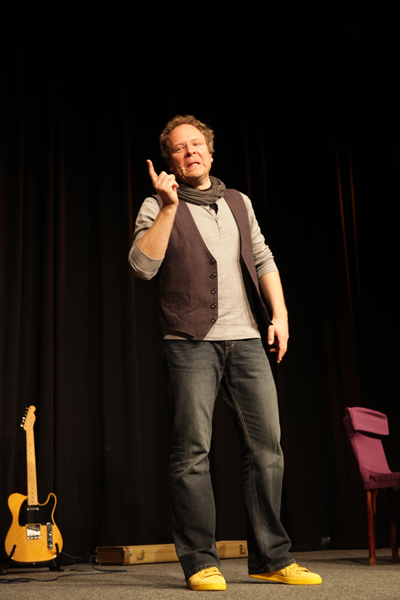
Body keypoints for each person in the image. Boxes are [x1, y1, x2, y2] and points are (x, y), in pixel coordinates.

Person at [129, 115, 322, 590]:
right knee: (192, 453)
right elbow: (142, 266)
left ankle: (271, 557)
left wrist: (280, 316)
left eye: (197, 144)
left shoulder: (238, 201)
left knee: (267, 450)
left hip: (248, 340)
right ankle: (199, 561)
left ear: (211, 152)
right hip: (190, 343)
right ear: (170, 160)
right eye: (179, 148)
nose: (190, 151)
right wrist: (169, 208)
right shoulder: (157, 205)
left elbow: (262, 257)